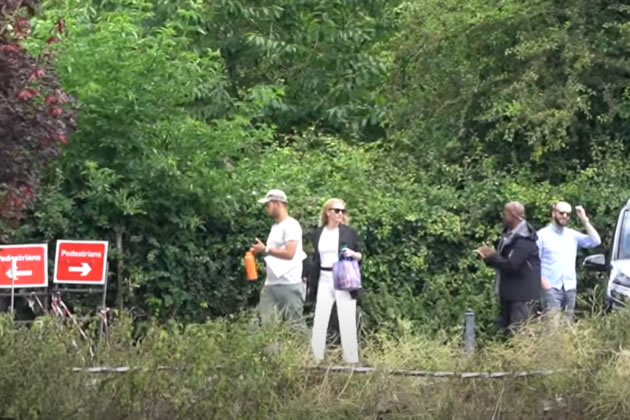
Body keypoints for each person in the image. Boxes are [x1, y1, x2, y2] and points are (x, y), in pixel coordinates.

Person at [308, 198, 362, 364]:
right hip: (324, 277)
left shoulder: (348, 232)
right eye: (337, 210)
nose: (340, 214)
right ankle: (316, 358)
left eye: (343, 211)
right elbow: (316, 258)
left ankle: (351, 360)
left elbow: (360, 255)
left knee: (346, 319)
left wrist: (352, 253)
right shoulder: (319, 233)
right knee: (320, 319)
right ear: (328, 212)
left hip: (342, 274)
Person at [477, 202, 541, 335]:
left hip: (522, 297)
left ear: (514, 216)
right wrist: (488, 257)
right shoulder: (510, 236)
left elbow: (512, 265)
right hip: (509, 295)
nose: (503, 216)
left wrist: (492, 256)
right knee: (506, 333)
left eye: (505, 214)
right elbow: (504, 263)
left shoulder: (525, 240)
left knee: (519, 335)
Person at [537, 201, 601, 322]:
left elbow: (596, 241)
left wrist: (584, 220)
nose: (565, 216)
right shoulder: (542, 235)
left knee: (567, 326)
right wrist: (545, 285)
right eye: (562, 213)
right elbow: (534, 263)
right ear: (553, 213)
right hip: (551, 287)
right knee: (552, 327)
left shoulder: (572, 235)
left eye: (568, 214)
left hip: (569, 287)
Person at [251, 189, 306, 326]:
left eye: (268, 205)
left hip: (289, 283)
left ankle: (302, 348)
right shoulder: (275, 227)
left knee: (294, 325)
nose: (266, 209)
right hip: (270, 284)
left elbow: (289, 253)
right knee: (267, 325)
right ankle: (270, 348)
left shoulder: (291, 225)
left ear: (277, 204)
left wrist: (266, 249)